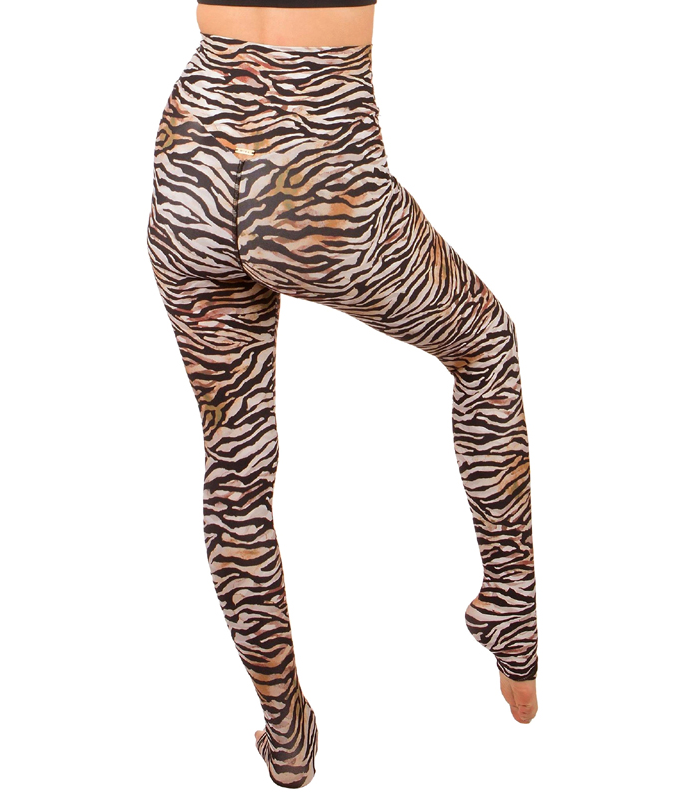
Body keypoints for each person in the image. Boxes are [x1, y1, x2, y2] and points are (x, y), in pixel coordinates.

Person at [146, 0, 539, 788]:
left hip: (192, 153)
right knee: (486, 345)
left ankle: (285, 730)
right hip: (314, 164)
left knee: (235, 465)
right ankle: (512, 614)